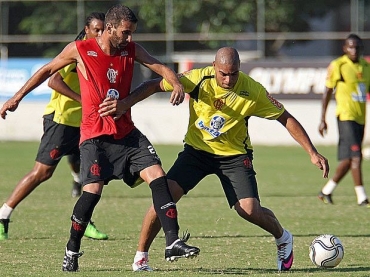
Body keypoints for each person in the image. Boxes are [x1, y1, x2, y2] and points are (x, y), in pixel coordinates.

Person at [0, 4, 200, 272]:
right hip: (95, 136)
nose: (130, 39)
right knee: (92, 193)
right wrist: (16, 97)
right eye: (126, 33)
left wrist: (175, 83)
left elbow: (159, 66)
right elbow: (47, 72)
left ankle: (172, 241)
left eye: (132, 33)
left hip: (127, 133)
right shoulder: (81, 50)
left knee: (158, 176)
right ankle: (72, 249)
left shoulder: (131, 49)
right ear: (110, 28)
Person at [98, 47, 330, 272]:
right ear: (214, 67)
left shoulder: (253, 90)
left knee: (248, 210)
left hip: (234, 156)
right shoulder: (198, 78)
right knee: (164, 196)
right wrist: (125, 103)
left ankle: (283, 237)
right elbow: (153, 85)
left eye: (234, 74)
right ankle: (141, 258)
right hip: (197, 153)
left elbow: (285, 117)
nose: (228, 80)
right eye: (223, 74)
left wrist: (312, 152)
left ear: (239, 69)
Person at [0, 12, 108, 241]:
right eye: (96, 29)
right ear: (87, 30)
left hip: (84, 123)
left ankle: (85, 221)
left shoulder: (103, 53)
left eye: (103, 30)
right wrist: (82, 100)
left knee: (93, 171)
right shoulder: (77, 50)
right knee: (43, 172)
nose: (100, 34)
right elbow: (53, 80)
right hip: (62, 120)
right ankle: (3, 215)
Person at [318, 34, 370, 206]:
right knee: (356, 157)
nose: (354, 50)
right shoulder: (338, 65)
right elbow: (327, 91)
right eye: (350, 47)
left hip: (361, 118)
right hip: (346, 116)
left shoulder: (365, 66)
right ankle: (362, 197)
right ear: (345, 48)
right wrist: (322, 118)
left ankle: (326, 191)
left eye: (357, 47)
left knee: (349, 160)